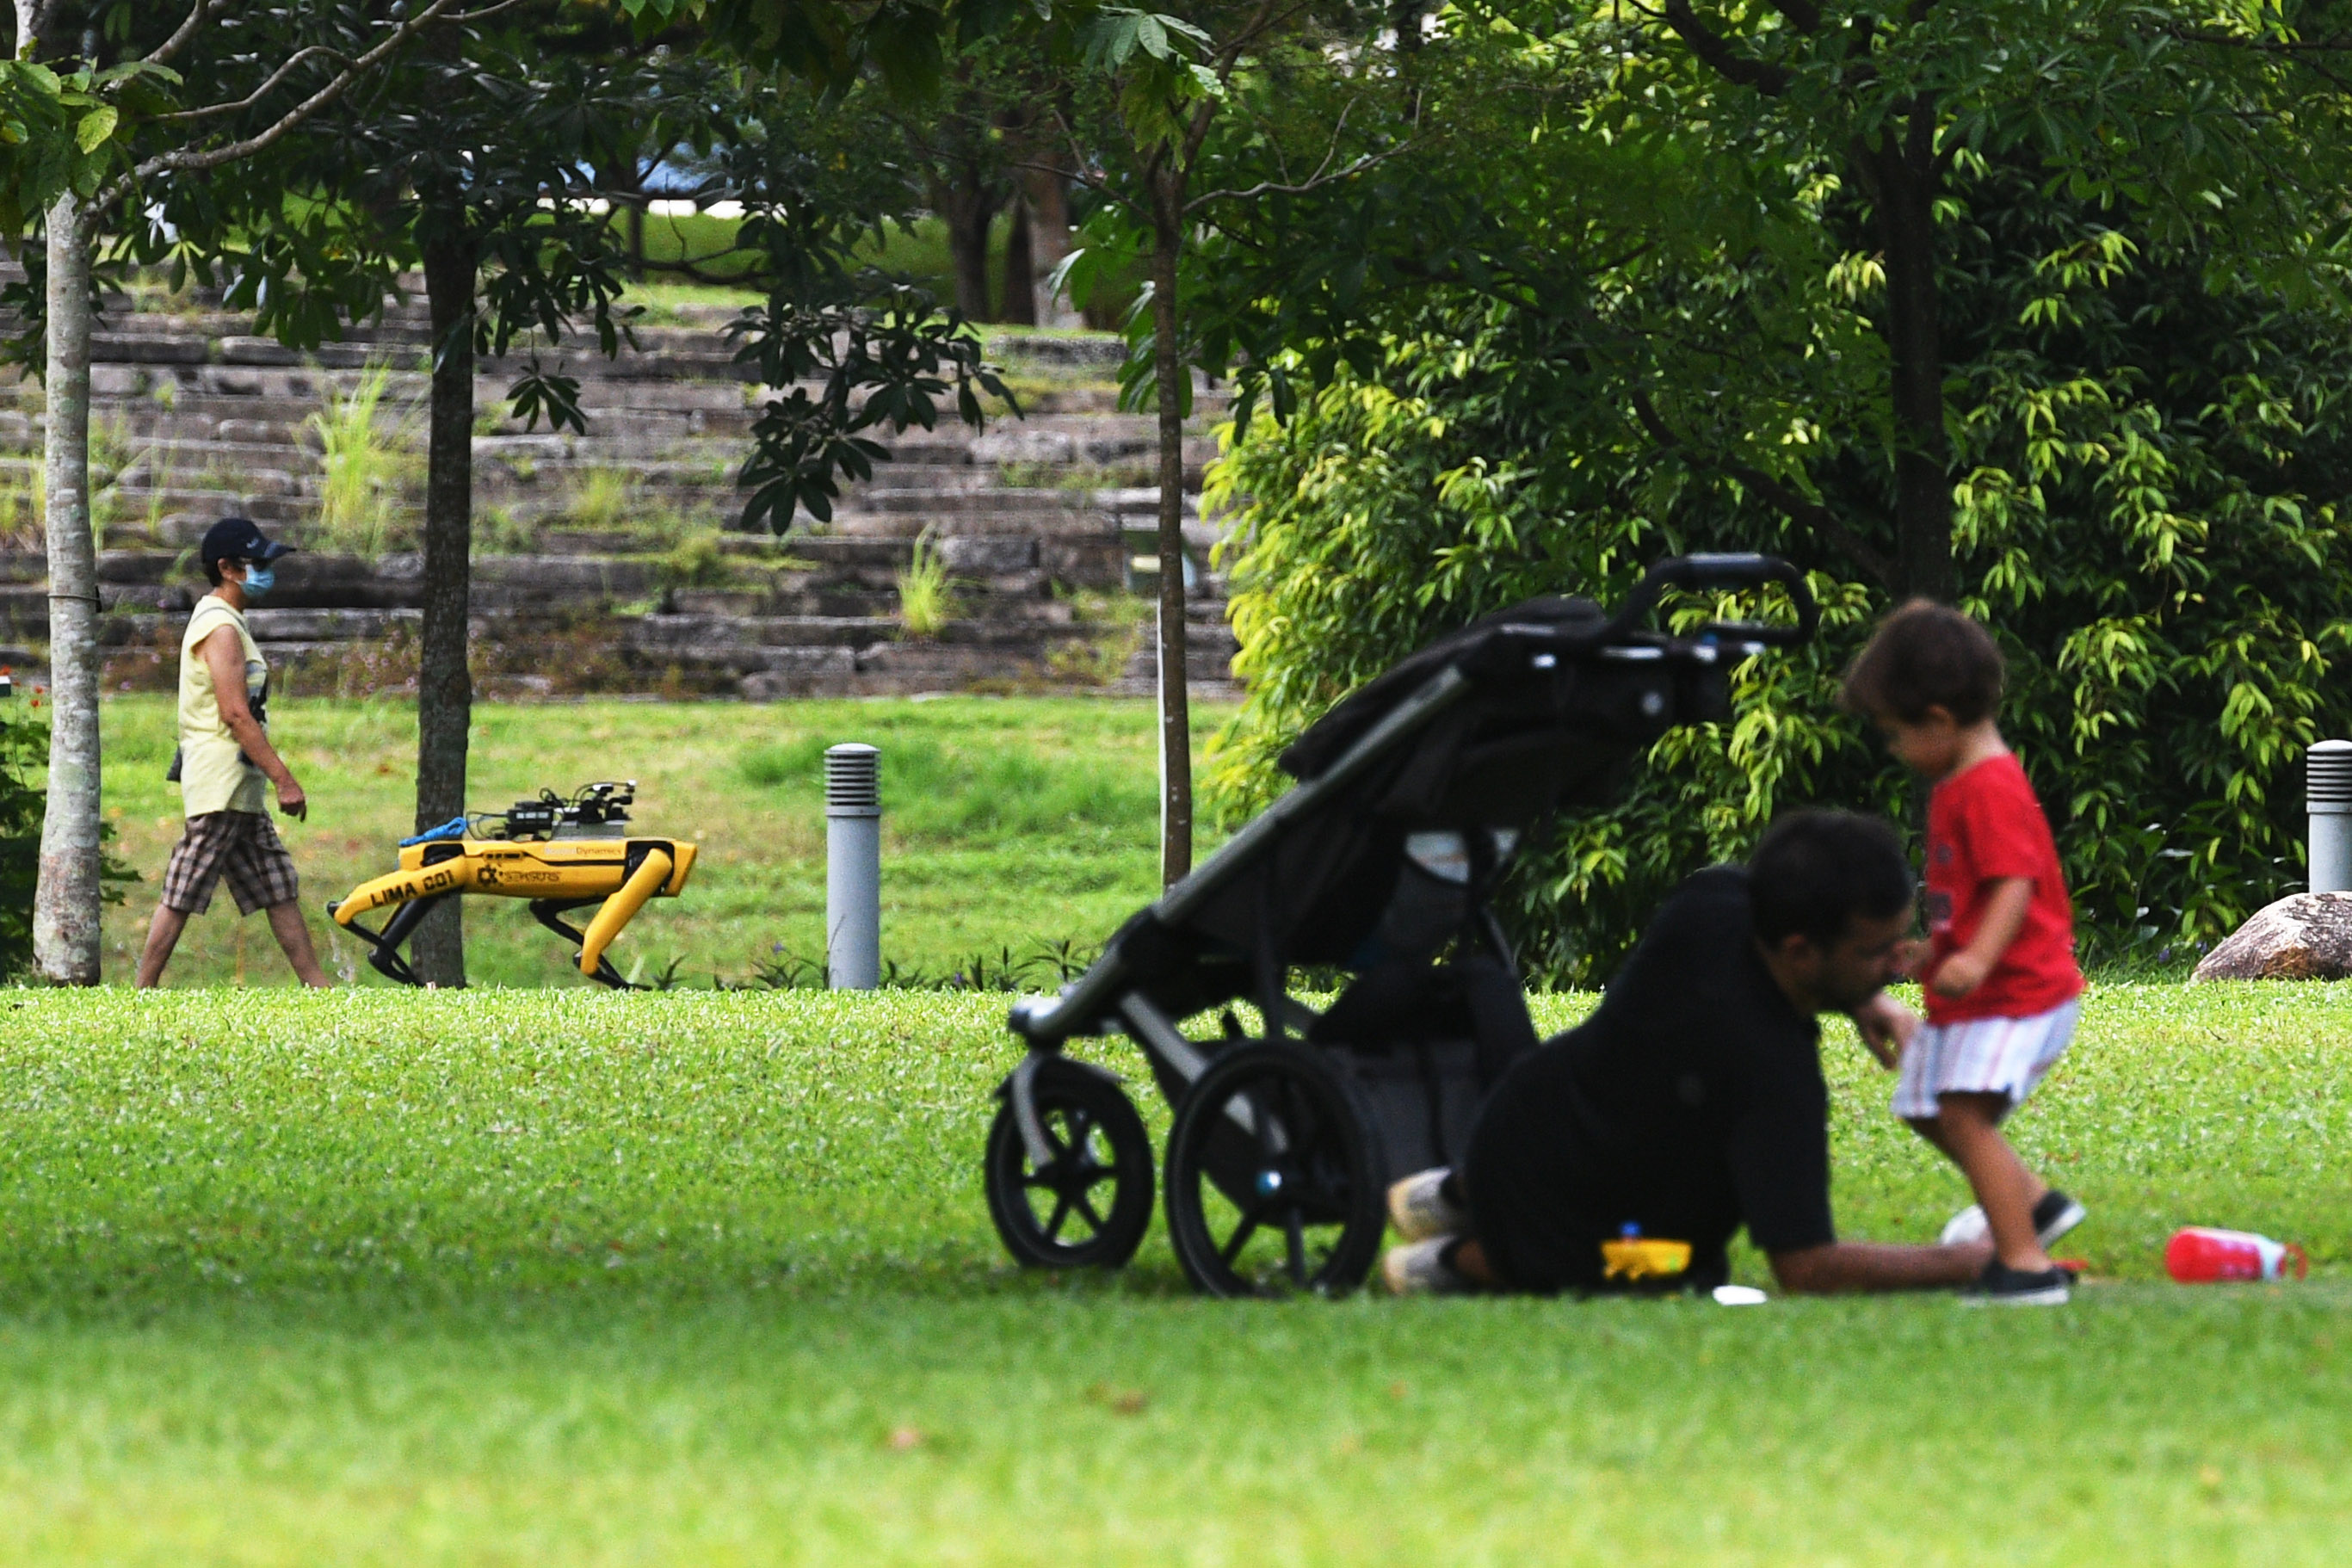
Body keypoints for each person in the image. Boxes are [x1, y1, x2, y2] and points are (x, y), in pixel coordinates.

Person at [1382, 810, 1995, 1299]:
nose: (1897, 965)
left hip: (1516, 1123)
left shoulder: (1708, 909)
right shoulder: (1774, 1073)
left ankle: (1446, 1198)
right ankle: (1448, 1263)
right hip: (1600, 1237)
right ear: (1800, 951)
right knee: (1646, 1269)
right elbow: (1807, 1267)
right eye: (1876, 953)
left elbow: (1738, 883)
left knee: (1568, 1158)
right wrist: (1964, 1262)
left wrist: (1861, 994)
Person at [1841, 599, 2084, 1305]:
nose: (1895, 750)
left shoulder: (1989, 785)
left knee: (1959, 1115)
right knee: (1922, 1104)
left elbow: (2014, 883)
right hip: (1983, 996)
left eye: (1895, 734)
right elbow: (1974, 894)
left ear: (1938, 720)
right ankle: (2032, 1203)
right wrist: (1930, 952)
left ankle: (2025, 1267)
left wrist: (1975, 960)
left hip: (2017, 994)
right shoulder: (1959, 784)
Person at [136, 517, 330, 989]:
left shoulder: (229, 622)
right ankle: (142, 991)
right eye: (256, 563)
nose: (266, 571)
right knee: (184, 888)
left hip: (240, 784)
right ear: (226, 568)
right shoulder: (220, 627)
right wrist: (284, 778)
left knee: (277, 885)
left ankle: (319, 989)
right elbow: (236, 714)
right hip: (220, 781)